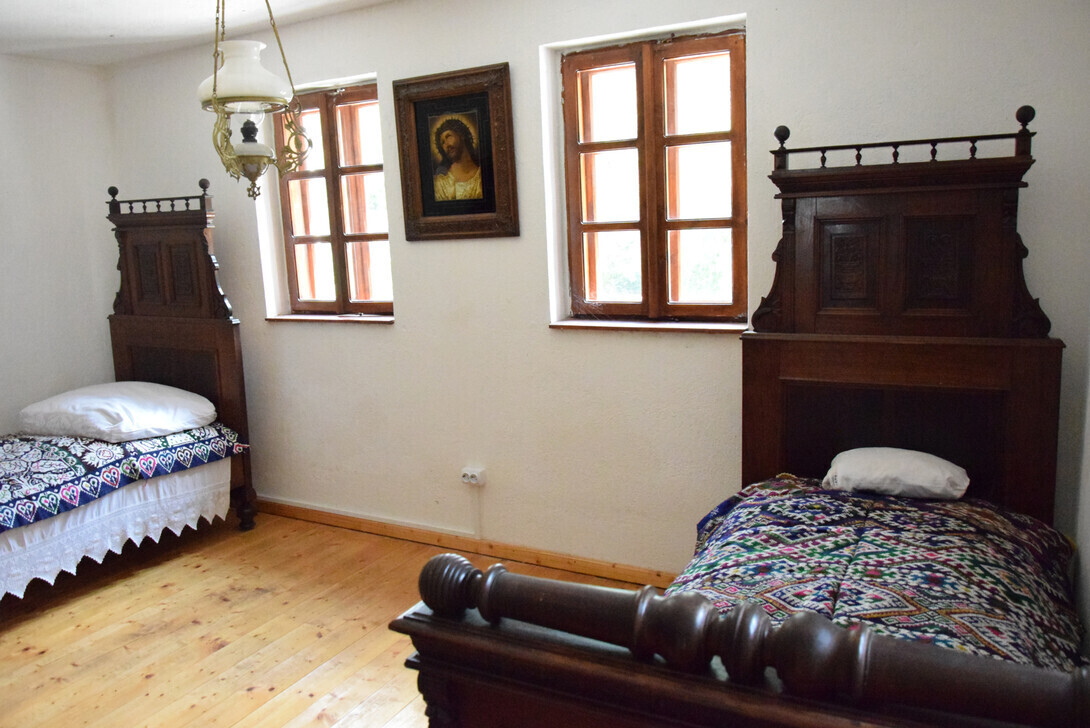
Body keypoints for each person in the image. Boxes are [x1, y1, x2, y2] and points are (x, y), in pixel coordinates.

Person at [432, 117, 483, 201]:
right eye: (443, 143)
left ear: (461, 135)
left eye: (448, 136)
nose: (447, 145)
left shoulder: (483, 176)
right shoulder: (440, 183)